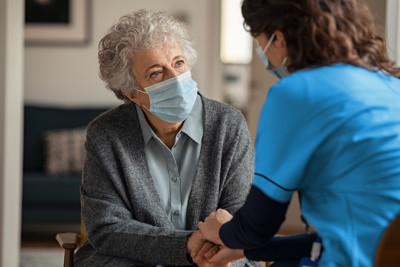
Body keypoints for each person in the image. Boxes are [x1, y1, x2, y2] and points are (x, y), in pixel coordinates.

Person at [193, 0, 400, 266]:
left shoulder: (296, 92)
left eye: (259, 41)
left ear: (277, 37)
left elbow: (256, 227)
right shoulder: (390, 85)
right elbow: (344, 241)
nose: (263, 54)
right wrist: (247, 250)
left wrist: (221, 231)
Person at [74, 9, 259, 267]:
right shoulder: (105, 134)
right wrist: (184, 245)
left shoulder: (229, 125)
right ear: (132, 93)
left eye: (179, 63)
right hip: (133, 259)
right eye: (156, 73)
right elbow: (107, 226)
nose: (176, 78)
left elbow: (241, 212)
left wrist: (208, 251)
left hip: (218, 257)